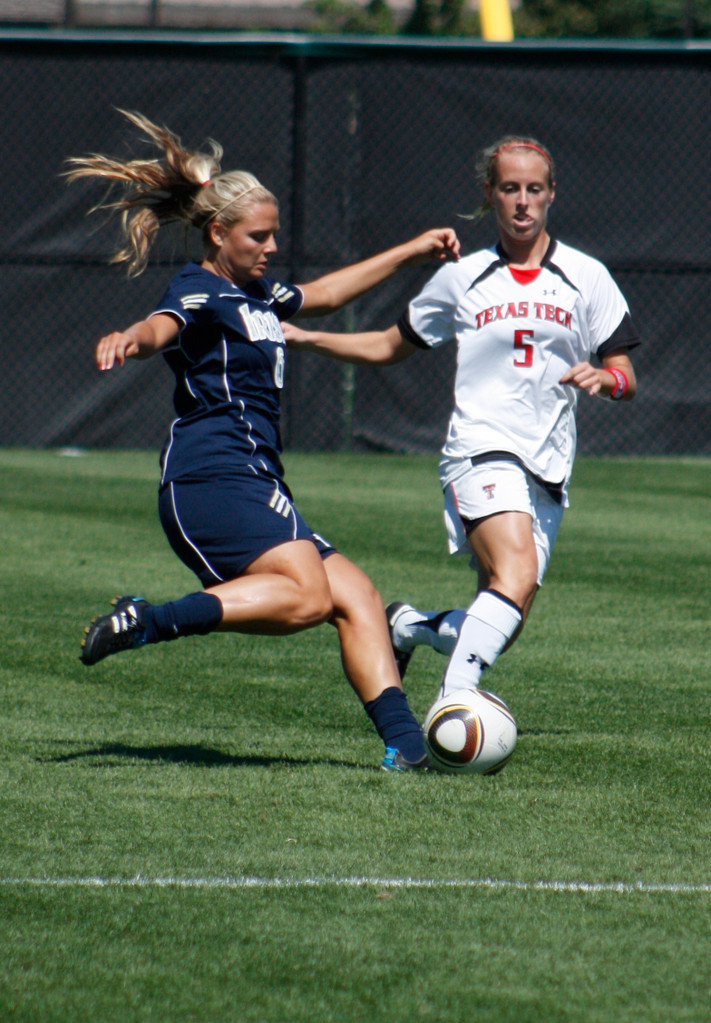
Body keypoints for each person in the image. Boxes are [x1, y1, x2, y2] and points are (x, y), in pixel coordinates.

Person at [66, 109, 461, 771]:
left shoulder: (257, 293)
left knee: (356, 595)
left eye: (273, 235)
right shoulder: (199, 287)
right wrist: (129, 340)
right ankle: (149, 619)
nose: (270, 247)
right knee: (307, 595)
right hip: (209, 475)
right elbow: (161, 325)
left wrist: (412, 250)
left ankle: (408, 749)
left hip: (256, 477)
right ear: (218, 233)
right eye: (258, 236)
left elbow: (325, 294)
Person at [282, 134, 639, 701]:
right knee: (516, 575)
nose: (522, 201)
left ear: (552, 196)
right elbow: (387, 345)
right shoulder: (462, 277)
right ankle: (454, 702)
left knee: (506, 617)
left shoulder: (586, 275)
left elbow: (625, 374)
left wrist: (606, 378)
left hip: (548, 464)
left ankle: (410, 626)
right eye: (509, 189)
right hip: (480, 450)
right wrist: (306, 339)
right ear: (489, 196)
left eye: (534, 189)